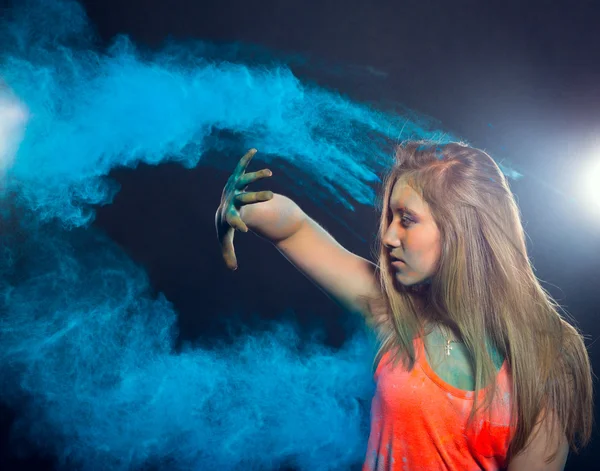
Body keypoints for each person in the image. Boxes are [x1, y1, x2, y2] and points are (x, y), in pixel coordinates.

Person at [215, 142, 593, 470]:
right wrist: (237, 209)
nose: (388, 235)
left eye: (407, 220)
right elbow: (294, 227)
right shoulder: (393, 311)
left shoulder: (548, 355)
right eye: (391, 217)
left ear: (461, 230)